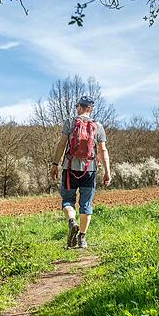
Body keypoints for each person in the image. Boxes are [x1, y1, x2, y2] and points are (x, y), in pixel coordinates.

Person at [49, 95, 111, 249]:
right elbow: (103, 150)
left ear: (79, 107)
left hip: (70, 169)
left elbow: (62, 144)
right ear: (91, 109)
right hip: (89, 171)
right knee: (86, 204)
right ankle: (82, 238)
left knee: (68, 200)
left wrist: (55, 164)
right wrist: (107, 172)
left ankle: (72, 221)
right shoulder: (98, 126)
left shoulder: (70, 123)